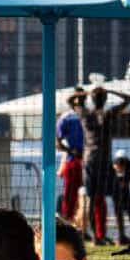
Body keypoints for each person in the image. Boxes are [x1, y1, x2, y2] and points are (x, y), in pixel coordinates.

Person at [80, 84, 130, 244]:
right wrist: (110, 90)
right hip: (103, 161)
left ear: (92, 99)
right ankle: (120, 235)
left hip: (89, 160)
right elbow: (129, 99)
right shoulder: (108, 114)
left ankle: (96, 237)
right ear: (105, 99)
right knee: (116, 196)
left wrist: (87, 92)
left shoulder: (85, 114)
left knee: (92, 198)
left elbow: (70, 101)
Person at [55, 89, 86, 227]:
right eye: (77, 97)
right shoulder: (66, 118)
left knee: (87, 196)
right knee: (70, 195)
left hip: (88, 160)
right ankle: (67, 224)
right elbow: (57, 142)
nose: (80, 100)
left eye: (82, 97)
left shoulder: (89, 115)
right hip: (73, 160)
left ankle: (83, 226)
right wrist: (70, 151)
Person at [110, 151, 130, 245]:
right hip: (116, 198)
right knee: (119, 219)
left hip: (127, 197)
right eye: (118, 163)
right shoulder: (112, 170)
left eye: (122, 163)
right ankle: (121, 237)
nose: (120, 165)